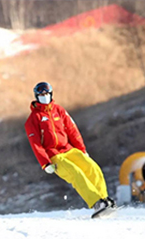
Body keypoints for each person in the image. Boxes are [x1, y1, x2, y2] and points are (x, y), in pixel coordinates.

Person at [24, 81, 117, 216]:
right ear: (37, 97)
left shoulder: (59, 111)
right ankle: (96, 203)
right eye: (41, 95)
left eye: (47, 94)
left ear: (51, 94)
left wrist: (82, 150)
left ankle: (104, 199)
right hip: (54, 155)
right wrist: (45, 163)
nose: (45, 97)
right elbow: (35, 143)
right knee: (75, 173)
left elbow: (72, 130)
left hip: (68, 150)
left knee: (92, 167)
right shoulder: (33, 119)